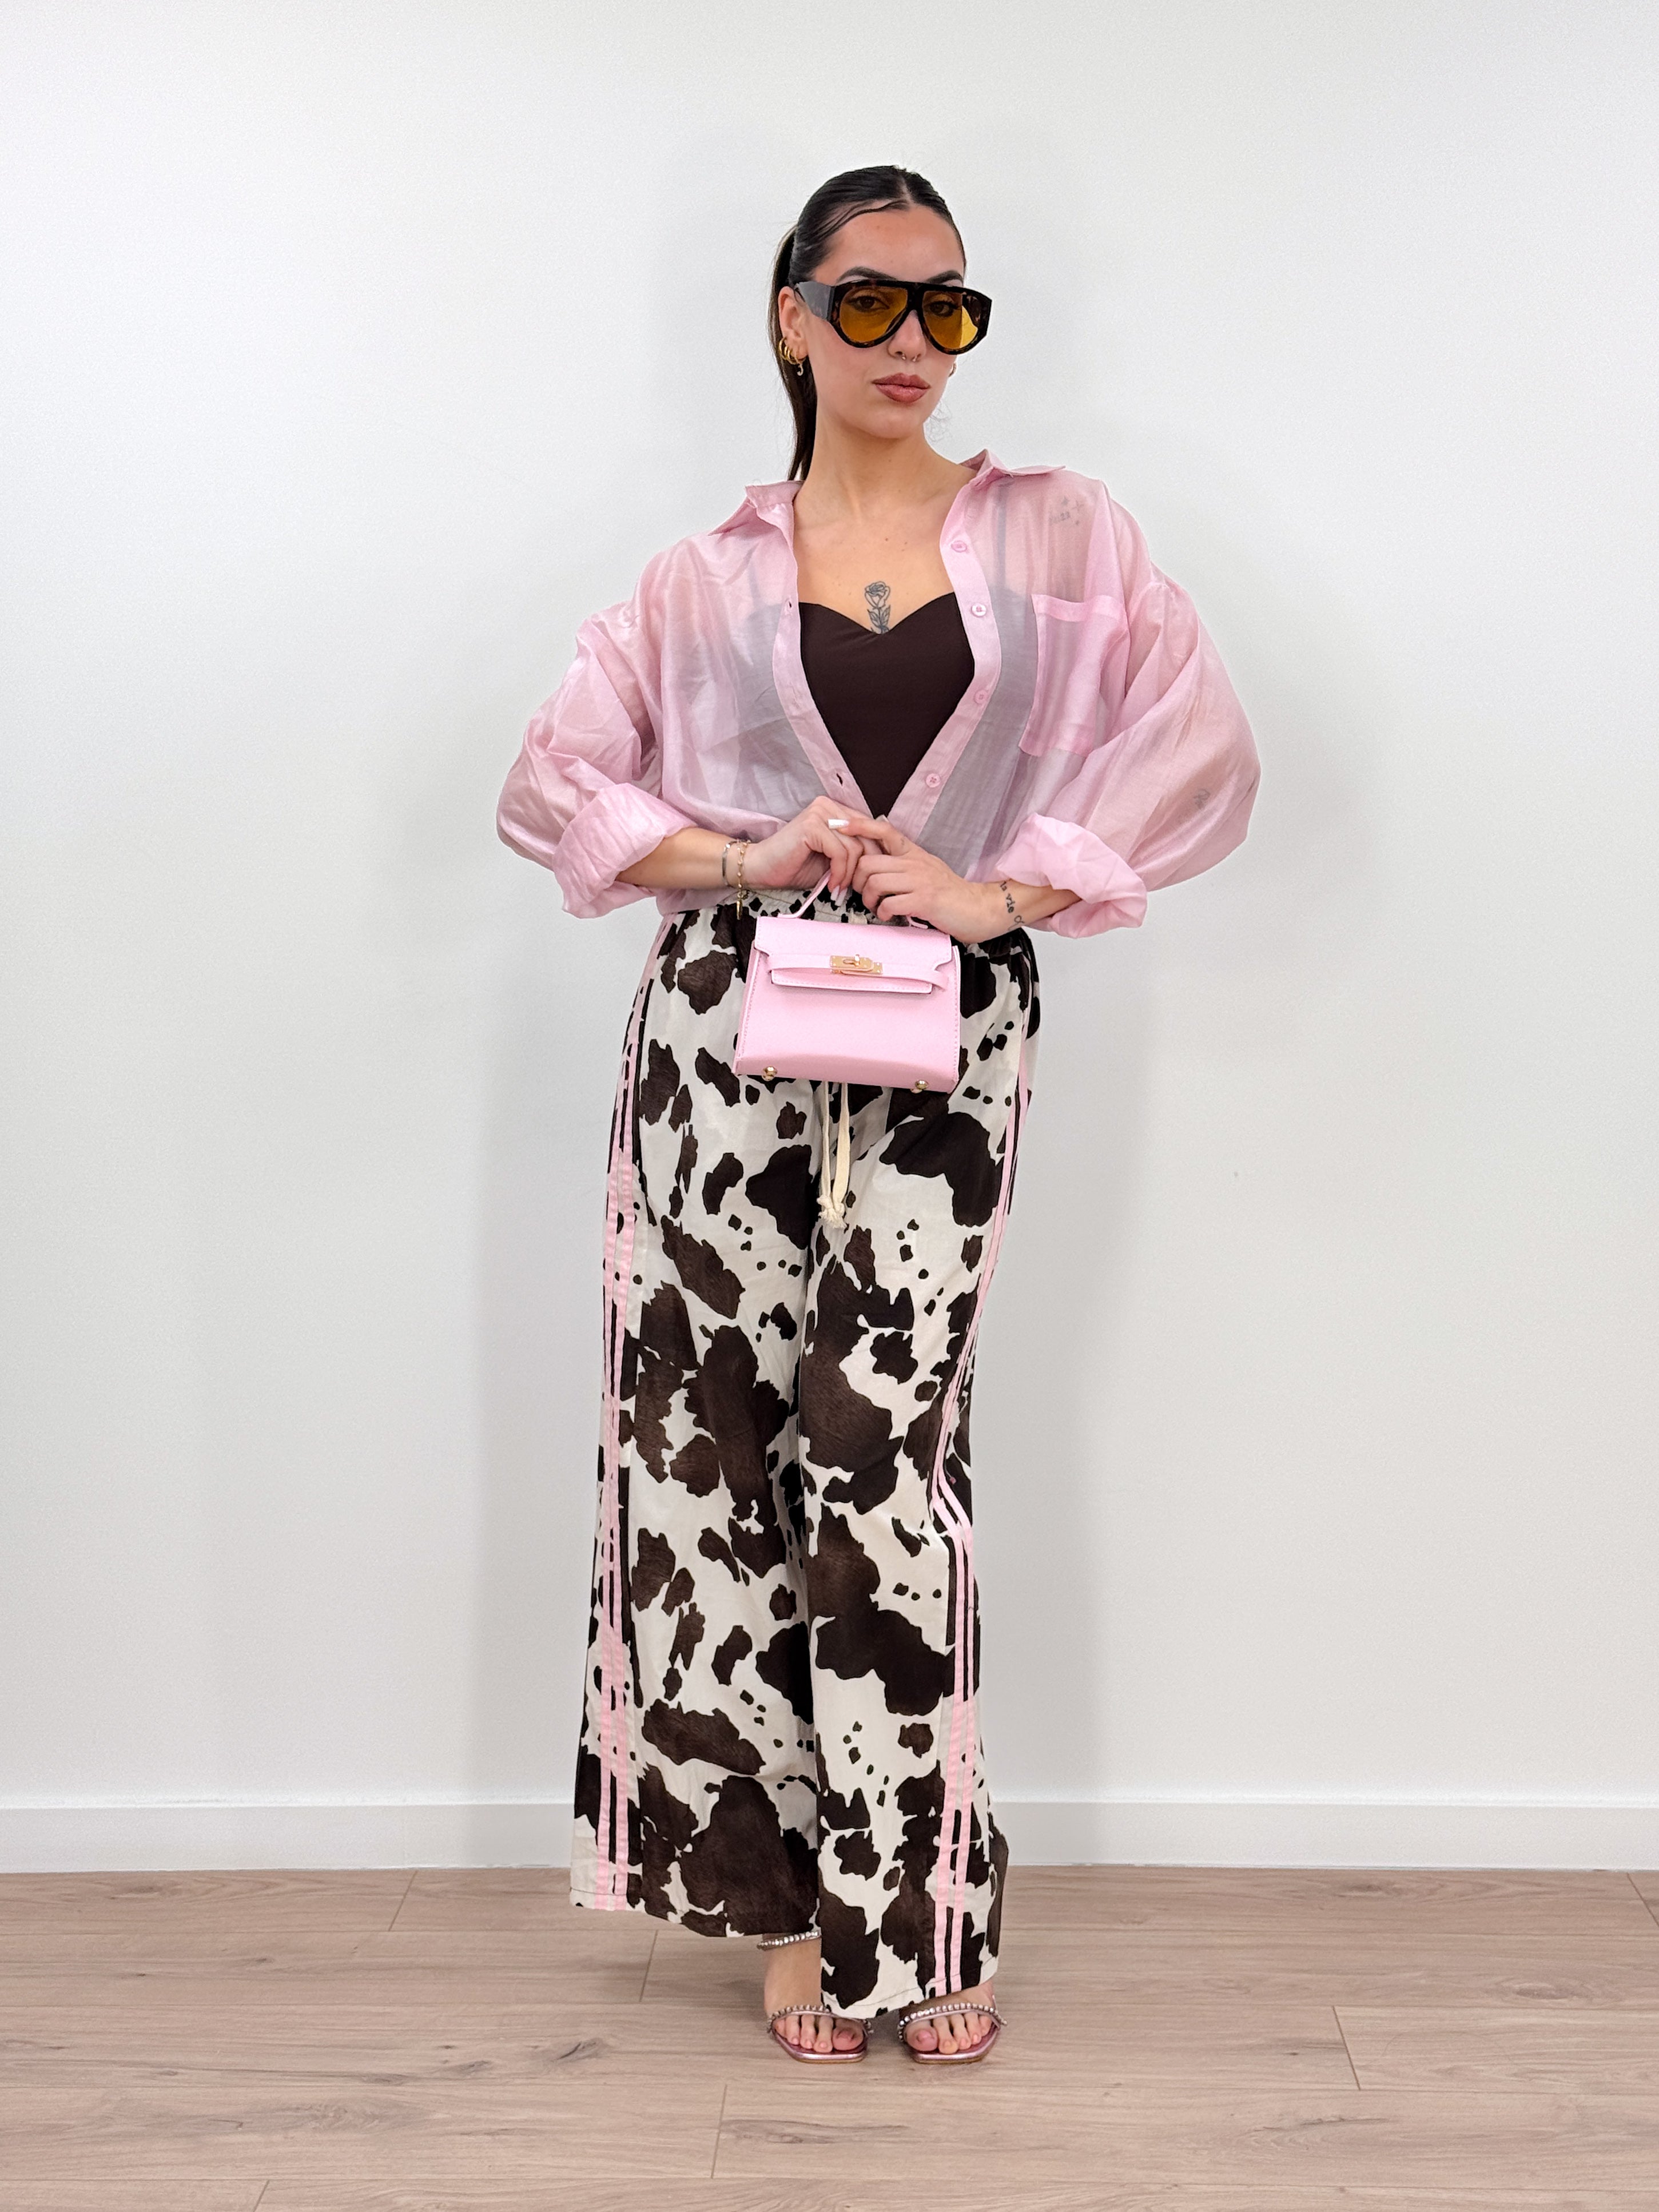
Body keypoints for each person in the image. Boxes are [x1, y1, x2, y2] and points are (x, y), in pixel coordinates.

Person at [496, 164, 1259, 2066]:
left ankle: (912, 1904)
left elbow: (1199, 741)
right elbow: (556, 788)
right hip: (723, 1043)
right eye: (869, 303)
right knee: (721, 1457)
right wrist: (744, 850)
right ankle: (787, 1907)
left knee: (880, 1452)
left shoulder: (1062, 534)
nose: (912, 341)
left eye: (948, 308)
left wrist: (1002, 889)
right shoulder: (700, 580)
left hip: (948, 1037)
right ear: (791, 317)